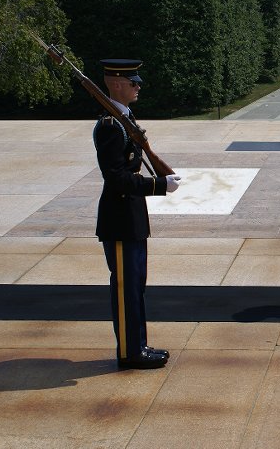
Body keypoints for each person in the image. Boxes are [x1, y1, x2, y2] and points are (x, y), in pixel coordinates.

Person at [94, 59, 181, 369]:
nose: (138, 86)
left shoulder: (123, 120)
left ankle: (137, 345)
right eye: (133, 82)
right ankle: (131, 353)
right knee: (125, 289)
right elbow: (116, 178)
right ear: (117, 84)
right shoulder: (110, 126)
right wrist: (158, 184)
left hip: (131, 219)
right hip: (119, 221)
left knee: (135, 286)